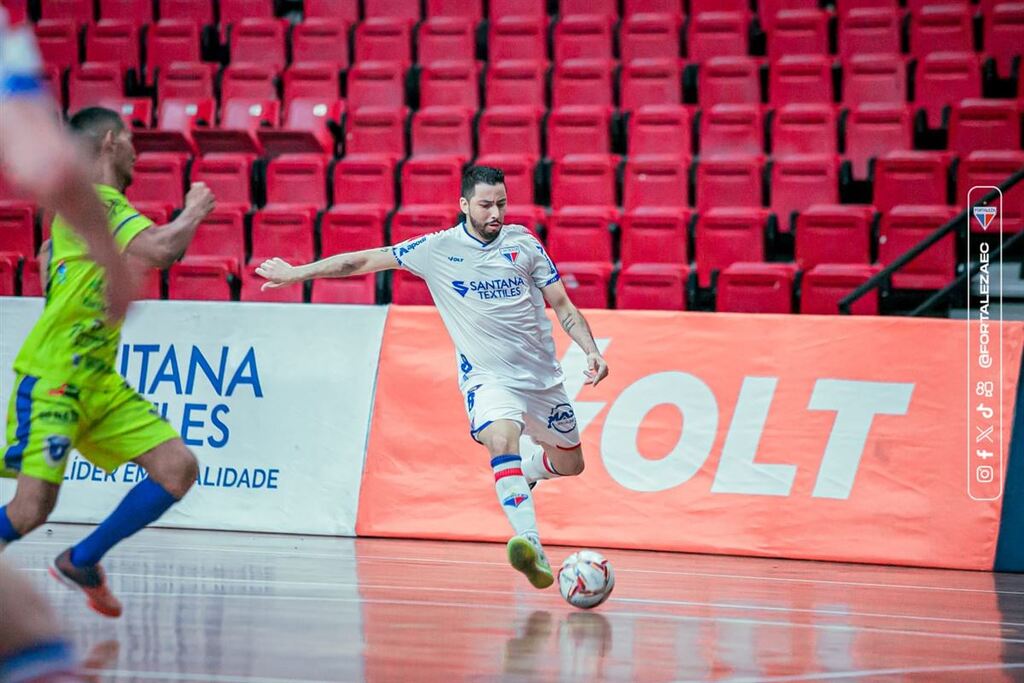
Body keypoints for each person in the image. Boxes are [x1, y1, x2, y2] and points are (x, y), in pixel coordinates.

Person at [256, 165, 608, 589]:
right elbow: (363, 260)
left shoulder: (525, 244)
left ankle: (530, 470)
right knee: (501, 437)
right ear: (463, 205)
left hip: (543, 380)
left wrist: (590, 350)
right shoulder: (436, 249)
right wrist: (297, 273)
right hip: (489, 378)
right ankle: (530, 543)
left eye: (501, 203)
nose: (495, 212)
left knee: (571, 464)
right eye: (485, 204)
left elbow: (563, 306)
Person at [0, 104, 217, 622]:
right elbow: (162, 249)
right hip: (57, 377)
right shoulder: (96, 202)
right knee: (31, 510)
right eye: (133, 141)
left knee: (176, 468)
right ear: (111, 141)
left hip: (99, 380)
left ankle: (82, 560)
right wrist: (195, 209)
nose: (137, 152)